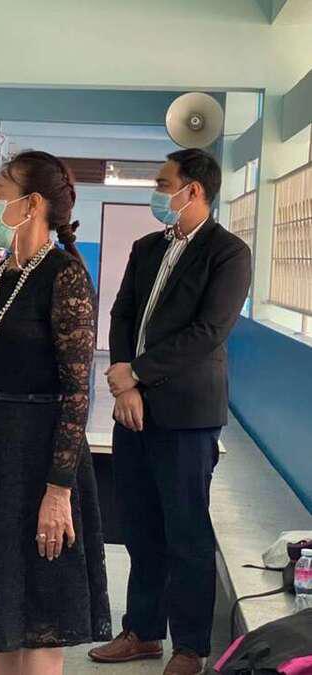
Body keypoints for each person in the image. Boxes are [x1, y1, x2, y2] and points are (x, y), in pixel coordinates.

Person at [0, 151, 112, 675]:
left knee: (39, 611)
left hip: (40, 461)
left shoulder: (65, 276)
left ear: (31, 204)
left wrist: (58, 491)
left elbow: (77, 393)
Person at [89, 149, 252, 675]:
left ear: (194, 190)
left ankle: (190, 646)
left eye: (163, 184)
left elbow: (209, 332)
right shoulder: (147, 247)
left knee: (186, 533)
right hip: (134, 410)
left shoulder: (228, 254)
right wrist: (124, 383)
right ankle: (142, 632)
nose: (156, 194)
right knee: (140, 527)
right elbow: (121, 314)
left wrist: (138, 373)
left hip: (187, 415)